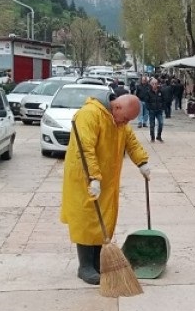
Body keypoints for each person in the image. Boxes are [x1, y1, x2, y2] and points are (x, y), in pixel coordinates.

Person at [60, 94, 152, 285]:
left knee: (102, 220)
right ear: (117, 107)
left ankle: (95, 262)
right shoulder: (89, 115)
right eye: (126, 119)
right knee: (86, 219)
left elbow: (131, 142)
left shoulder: (118, 121)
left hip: (107, 180)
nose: (126, 123)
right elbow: (85, 150)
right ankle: (84, 266)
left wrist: (141, 162)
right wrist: (93, 178)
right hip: (85, 178)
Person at [146, 78, 166, 142]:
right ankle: (152, 137)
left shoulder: (161, 91)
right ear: (151, 84)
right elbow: (147, 101)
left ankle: (159, 136)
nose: (154, 85)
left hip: (159, 110)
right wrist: (149, 108)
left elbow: (163, 100)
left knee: (161, 123)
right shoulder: (148, 92)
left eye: (156, 84)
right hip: (152, 110)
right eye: (153, 84)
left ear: (157, 84)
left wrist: (162, 107)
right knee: (152, 125)